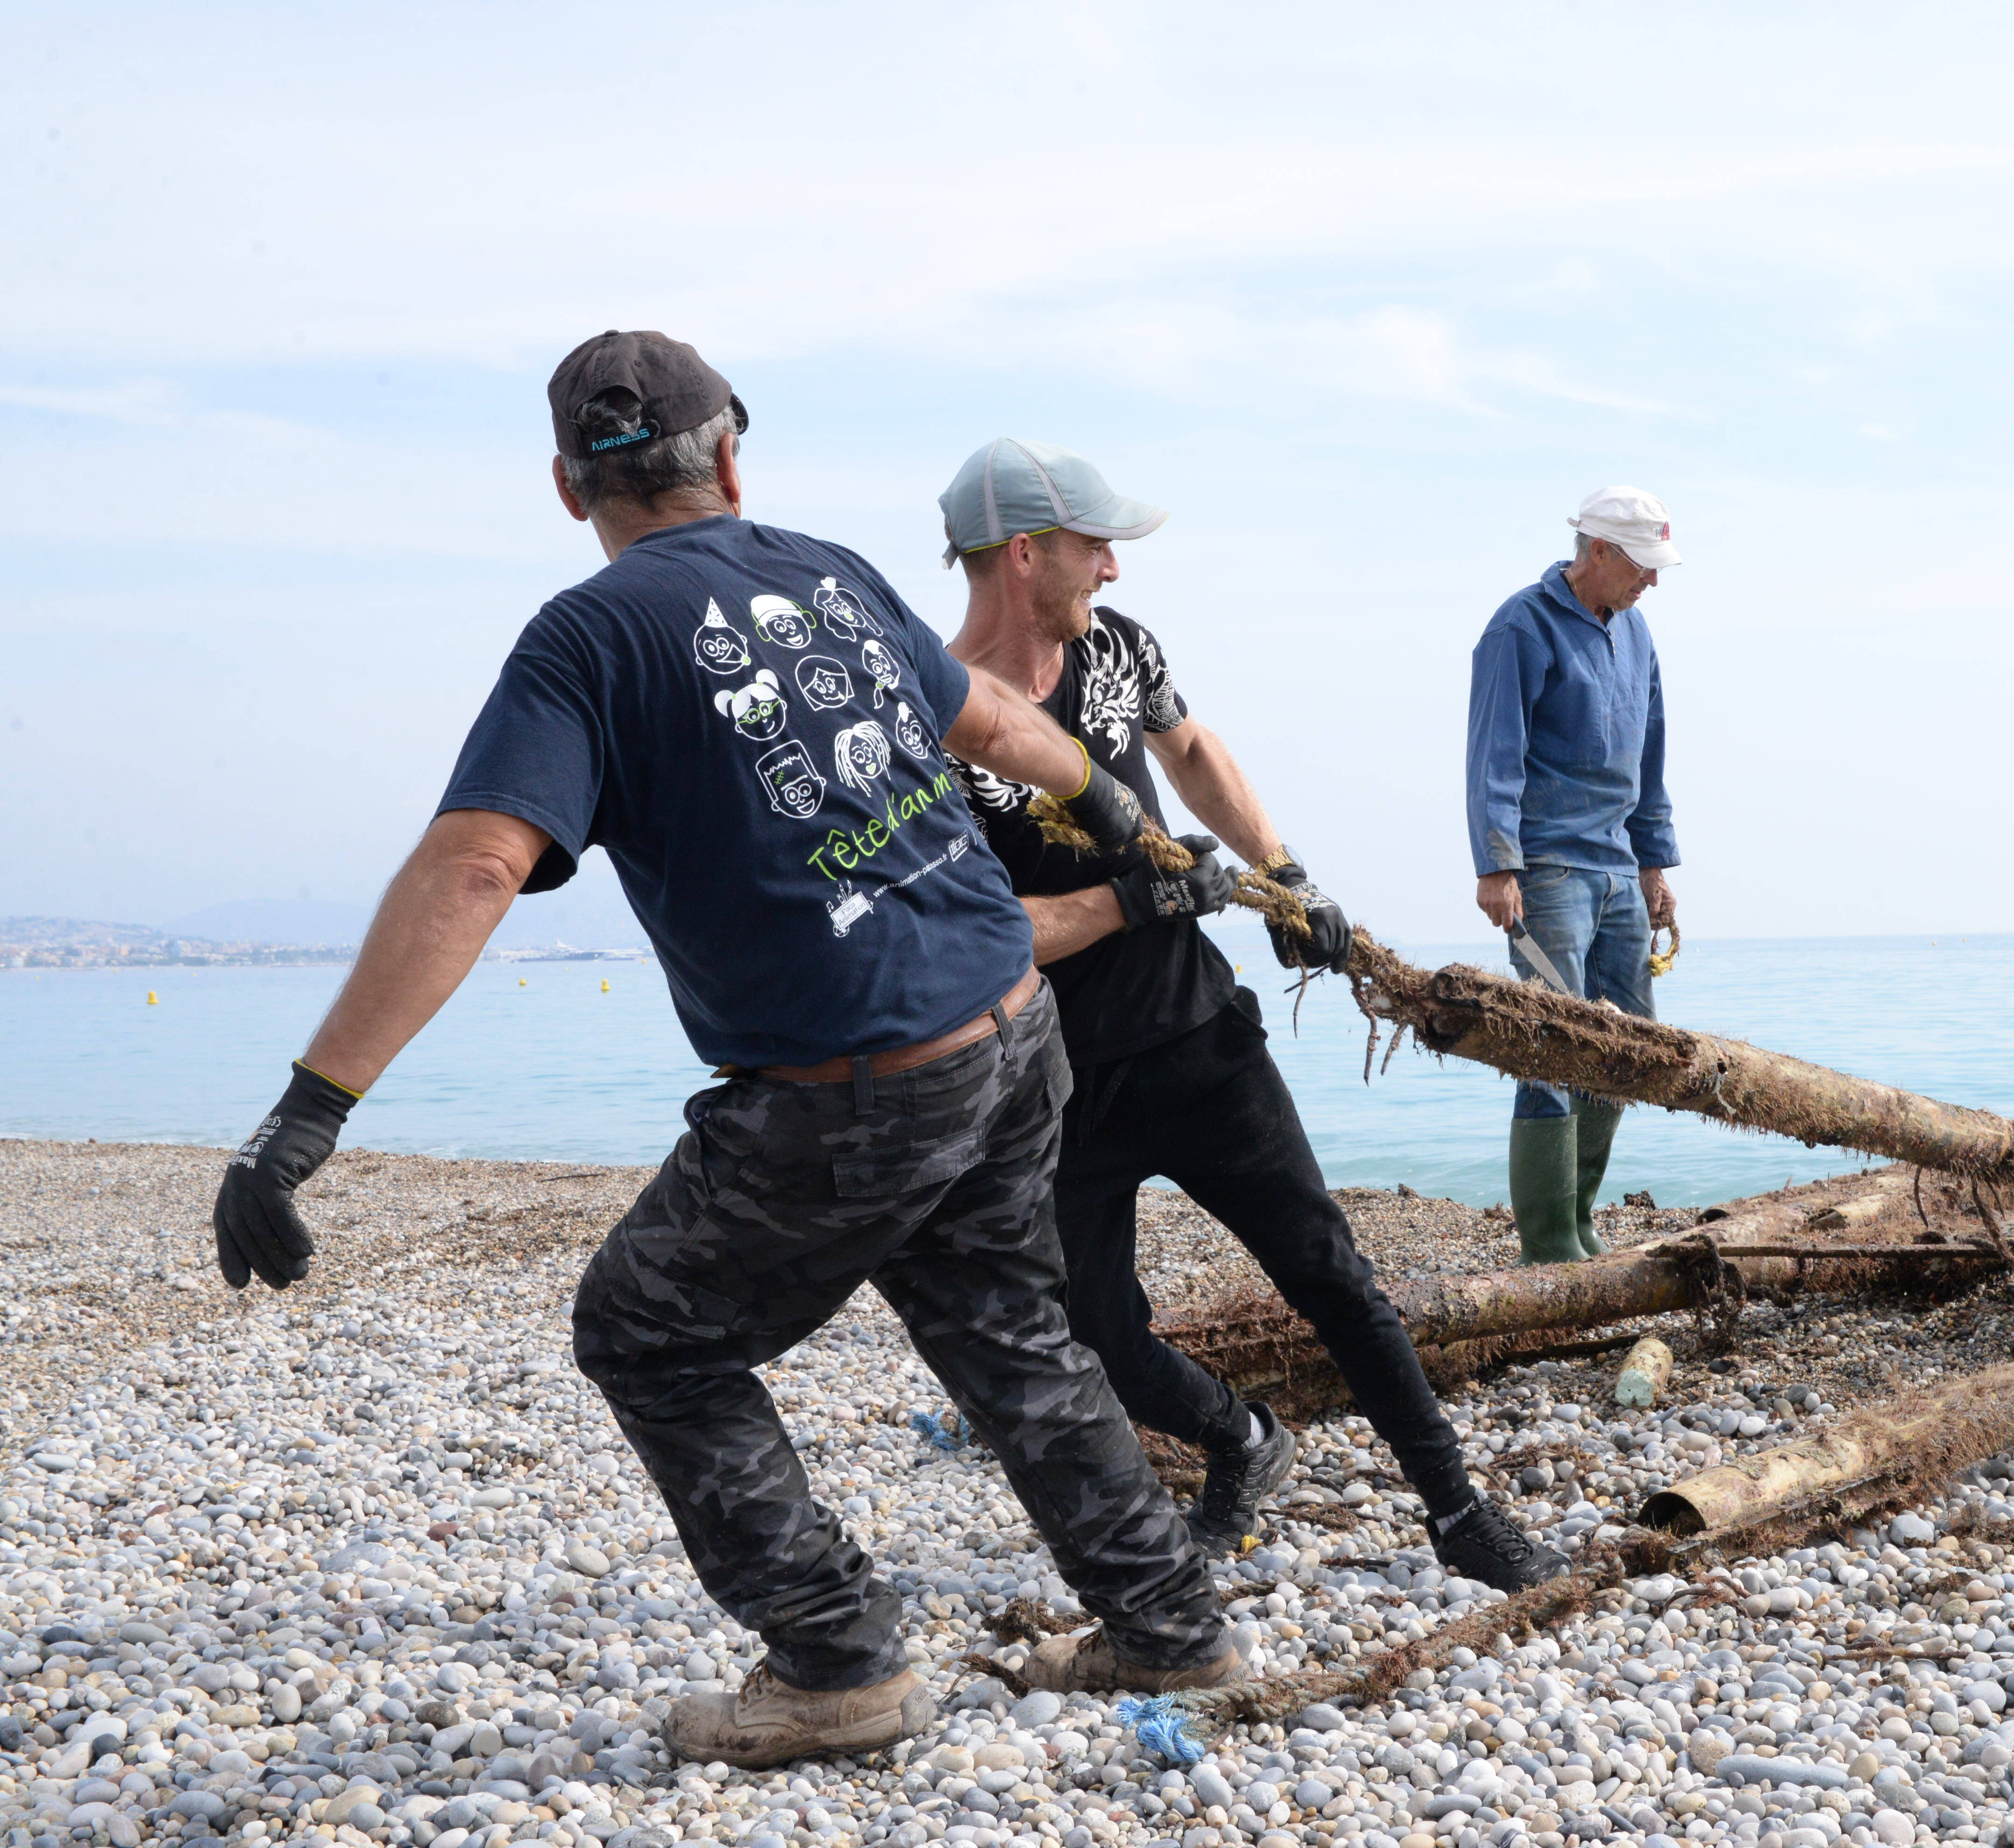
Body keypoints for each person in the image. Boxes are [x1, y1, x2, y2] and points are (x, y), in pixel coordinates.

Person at [205, 334, 1243, 1772]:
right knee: (1011, 1330)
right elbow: (1000, 721)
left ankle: (838, 1663)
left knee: (648, 1330)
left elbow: (475, 870)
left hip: (867, 1081)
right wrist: (1118, 816)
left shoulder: (587, 640)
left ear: (572, 492)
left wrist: (307, 1115)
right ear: (732, 456)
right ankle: (1174, 1629)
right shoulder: (830, 570)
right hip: (1013, 1027)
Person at [937, 437, 1564, 1593]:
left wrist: (1285, 872)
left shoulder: (1117, 648)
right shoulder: (936, 731)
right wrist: (1125, 899)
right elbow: (977, 937)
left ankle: (1457, 1508)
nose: (1113, 570)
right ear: (1025, 555)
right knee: (1097, 1337)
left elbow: (1190, 750)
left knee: (1331, 1274)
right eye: (1093, 548)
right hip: (1057, 1079)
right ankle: (1240, 1439)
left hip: (1197, 1044)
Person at [1465, 488, 1682, 1265]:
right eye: (1642, 567)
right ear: (1598, 552)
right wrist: (1497, 864)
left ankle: (1581, 1214)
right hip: (1548, 868)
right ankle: (1549, 1243)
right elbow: (1495, 748)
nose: (1651, 582)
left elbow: (1651, 755)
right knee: (1549, 1045)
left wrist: (1656, 864)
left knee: (1630, 1046)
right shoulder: (1521, 626)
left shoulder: (1637, 632)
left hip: (1620, 868)